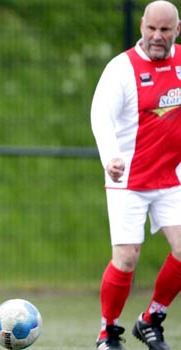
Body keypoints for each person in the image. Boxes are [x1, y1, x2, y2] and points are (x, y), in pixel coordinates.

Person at [90, 1, 181, 350]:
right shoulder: (121, 69)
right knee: (127, 257)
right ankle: (107, 331)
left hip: (171, 178)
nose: (157, 37)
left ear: (177, 29)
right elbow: (101, 116)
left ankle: (151, 319)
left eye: (165, 30)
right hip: (128, 178)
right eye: (152, 29)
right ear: (142, 25)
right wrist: (110, 157)